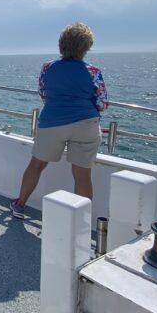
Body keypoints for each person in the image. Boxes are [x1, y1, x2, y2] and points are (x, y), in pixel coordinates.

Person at [10, 22, 109, 219]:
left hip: (53, 122)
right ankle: (81, 220)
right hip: (86, 124)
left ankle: (19, 205)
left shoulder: (48, 68)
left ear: (61, 44)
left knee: (36, 165)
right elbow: (102, 103)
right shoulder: (93, 71)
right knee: (82, 175)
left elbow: (43, 93)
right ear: (86, 47)